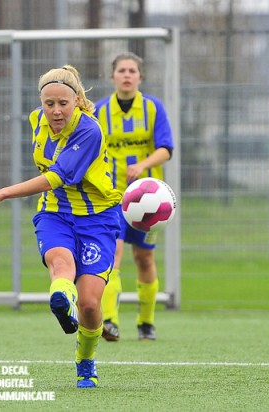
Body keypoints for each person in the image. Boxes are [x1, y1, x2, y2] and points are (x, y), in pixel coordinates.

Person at [0, 65, 122, 388]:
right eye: (48, 103)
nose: (54, 111)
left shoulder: (89, 131)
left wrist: (2, 193)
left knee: (91, 304)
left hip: (98, 219)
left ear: (78, 100)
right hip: (56, 212)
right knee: (61, 264)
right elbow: (53, 188)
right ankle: (61, 303)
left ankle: (85, 358)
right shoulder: (36, 120)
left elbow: (56, 177)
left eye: (63, 103)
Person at [94, 52, 174, 342]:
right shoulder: (100, 111)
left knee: (144, 258)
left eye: (132, 70)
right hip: (111, 197)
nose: (127, 75)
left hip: (149, 200)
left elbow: (166, 149)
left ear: (140, 76)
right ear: (112, 76)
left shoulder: (153, 108)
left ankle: (146, 322)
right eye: (121, 70)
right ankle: (111, 322)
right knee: (113, 256)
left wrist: (141, 166)